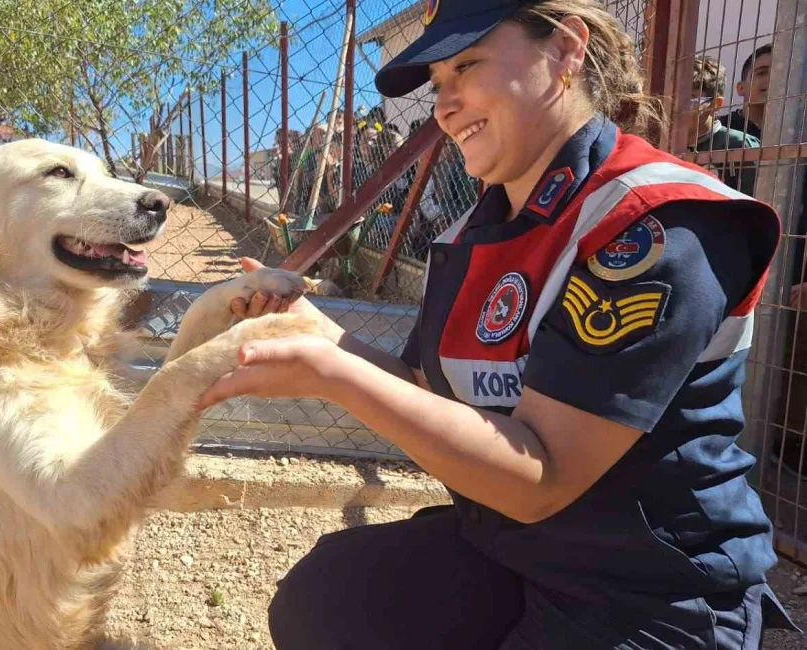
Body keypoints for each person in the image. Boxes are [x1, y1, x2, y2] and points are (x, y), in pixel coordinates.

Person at [194, 0, 802, 647]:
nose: (445, 105)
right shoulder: (473, 232)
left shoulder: (654, 221)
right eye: (439, 85)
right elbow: (425, 387)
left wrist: (331, 374)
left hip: (650, 588)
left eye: (468, 66)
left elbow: (543, 478)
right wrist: (318, 331)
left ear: (567, 49)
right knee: (335, 595)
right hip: (515, 551)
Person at [683, 55, 761, 196]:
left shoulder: (739, 144)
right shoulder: (661, 143)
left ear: (715, 104)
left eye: (690, 99)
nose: (677, 107)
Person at [718, 43, 770, 141]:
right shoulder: (719, 131)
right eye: (762, 73)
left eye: (781, 72)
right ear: (741, 88)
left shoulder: (800, 130)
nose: (773, 78)